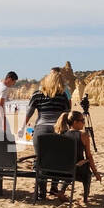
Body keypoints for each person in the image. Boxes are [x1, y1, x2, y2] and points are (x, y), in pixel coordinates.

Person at [18, 70, 72, 198]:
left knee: (41, 159)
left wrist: (21, 127)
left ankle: (42, 192)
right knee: (57, 159)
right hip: (58, 130)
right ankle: (53, 188)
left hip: (41, 130)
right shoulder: (63, 95)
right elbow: (67, 115)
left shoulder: (37, 94)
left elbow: (29, 112)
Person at [56, 111, 102, 205]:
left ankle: (61, 190)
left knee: (70, 170)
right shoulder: (83, 135)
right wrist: (95, 172)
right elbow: (89, 155)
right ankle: (85, 197)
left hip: (64, 169)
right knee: (87, 174)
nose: (84, 123)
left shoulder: (62, 134)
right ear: (75, 122)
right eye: (82, 120)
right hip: (78, 169)